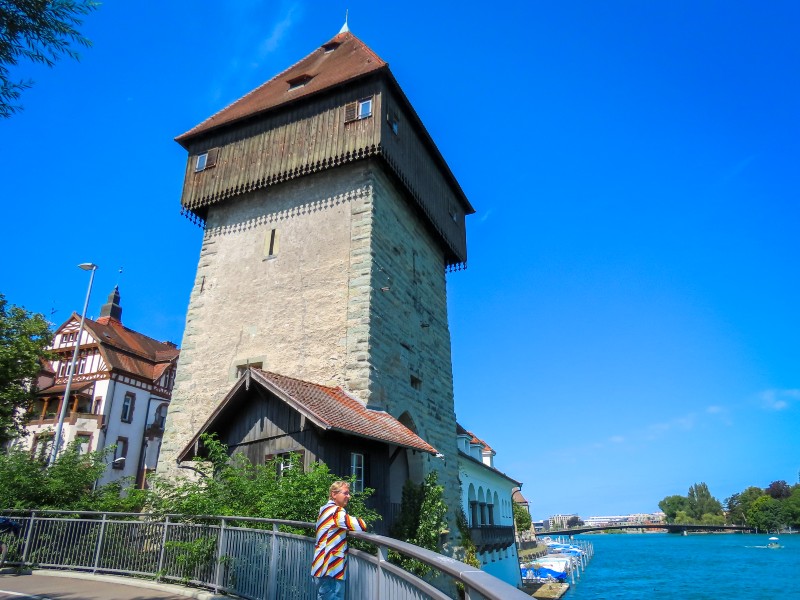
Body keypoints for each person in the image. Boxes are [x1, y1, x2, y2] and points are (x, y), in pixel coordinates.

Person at [311, 480, 366, 600]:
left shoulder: (324, 509)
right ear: (334, 494)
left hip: (320, 566)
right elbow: (360, 526)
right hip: (331, 568)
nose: (349, 496)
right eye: (345, 493)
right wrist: (363, 522)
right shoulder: (336, 511)